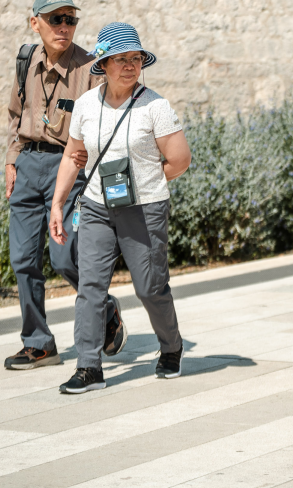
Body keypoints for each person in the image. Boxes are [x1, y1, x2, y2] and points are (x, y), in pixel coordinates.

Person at [49, 23, 192, 394]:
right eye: (121, 59)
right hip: (97, 206)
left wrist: (146, 181)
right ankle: (89, 366)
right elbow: (74, 156)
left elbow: (179, 160)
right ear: (104, 63)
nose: (130, 65)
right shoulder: (85, 105)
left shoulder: (154, 105)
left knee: (149, 287)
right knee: (91, 286)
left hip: (144, 208)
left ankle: (172, 346)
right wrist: (58, 203)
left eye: (136, 58)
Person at [3, 0, 126, 371]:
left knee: (64, 257)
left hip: (69, 169)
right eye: (55, 19)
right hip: (27, 166)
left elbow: (104, 123)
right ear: (34, 22)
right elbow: (15, 113)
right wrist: (12, 161)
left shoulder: (90, 68)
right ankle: (38, 343)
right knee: (22, 260)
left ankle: (104, 308)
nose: (63, 27)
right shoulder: (26, 61)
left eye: (70, 20)